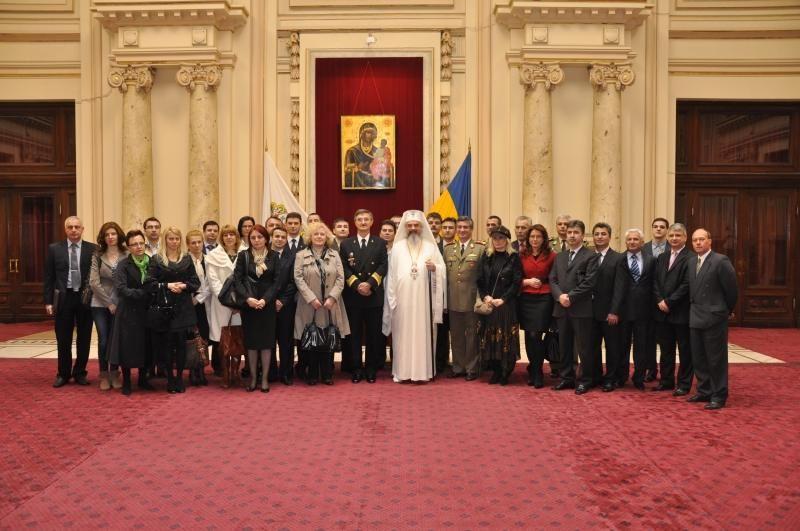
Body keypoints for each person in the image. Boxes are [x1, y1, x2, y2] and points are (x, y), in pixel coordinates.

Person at [383, 210, 446, 383]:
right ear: (404, 227)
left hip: (423, 302)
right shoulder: (396, 248)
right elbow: (391, 276)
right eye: (409, 225)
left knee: (422, 334)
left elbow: (442, 271)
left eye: (416, 225)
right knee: (402, 336)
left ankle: (422, 372)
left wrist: (435, 269)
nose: (412, 228)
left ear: (421, 226)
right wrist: (392, 300)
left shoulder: (431, 247)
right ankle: (402, 372)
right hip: (402, 301)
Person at [294, 222, 350, 385]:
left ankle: (327, 374)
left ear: (327, 237)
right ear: (310, 237)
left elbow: (341, 278)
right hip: (309, 305)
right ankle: (311, 373)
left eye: (322, 234)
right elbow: (298, 278)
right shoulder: (301, 255)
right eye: (316, 234)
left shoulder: (334, 254)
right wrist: (311, 298)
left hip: (330, 305)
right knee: (311, 338)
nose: (319, 237)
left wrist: (332, 297)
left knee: (328, 337)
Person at [44, 216, 97, 388]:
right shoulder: (54, 249)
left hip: (85, 298)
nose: (73, 230)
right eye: (70, 227)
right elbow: (49, 277)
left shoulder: (93, 249)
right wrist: (48, 302)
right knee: (63, 338)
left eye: (77, 227)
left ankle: (80, 372)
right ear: (65, 229)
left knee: (84, 337)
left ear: (83, 229)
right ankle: (63, 373)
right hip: (63, 298)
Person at [146, 226, 200, 393]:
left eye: (177, 238)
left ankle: (179, 378)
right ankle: (170, 378)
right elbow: (149, 283)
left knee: (182, 345)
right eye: (171, 238)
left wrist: (183, 286)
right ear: (165, 240)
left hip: (183, 308)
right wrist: (168, 285)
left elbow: (195, 283)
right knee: (168, 345)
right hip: (165, 308)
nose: (174, 242)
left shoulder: (187, 258)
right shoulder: (156, 259)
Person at [688, 228, 737, 410]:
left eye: (702, 239)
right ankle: (704, 391)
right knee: (699, 358)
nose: (698, 243)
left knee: (715, 359)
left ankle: (719, 395)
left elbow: (731, 290)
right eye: (695, 240)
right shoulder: (692, 261)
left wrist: (726, 310)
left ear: (710, 241)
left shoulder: (720, 261)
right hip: (695, 316)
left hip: (714, 317)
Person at [339, 209, 388, 383]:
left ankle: (371, 369)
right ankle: (356, 369)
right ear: (355, 222)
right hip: (353, 297)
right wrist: (357, 284)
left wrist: (370, 284)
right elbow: (343, 267)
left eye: (366, 219)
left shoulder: (380, 243)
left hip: (374, 297)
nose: (363, 222)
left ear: (372, 221)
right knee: (355, 335)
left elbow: (383, 266)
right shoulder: (346, 244)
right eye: (359, 219)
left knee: (374, 335)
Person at [549, 219, 597, 393]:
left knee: (584, 347)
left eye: (576, 232)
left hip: (581, 308)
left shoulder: (591, 255)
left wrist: (571, 296)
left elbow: (589, 282)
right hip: (561, 308)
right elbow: (552, 279)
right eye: (569, 232)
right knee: (565, 346)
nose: (572, 235)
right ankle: (566, 378)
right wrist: (559, 296)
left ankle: (586, 379)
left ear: (582, 236)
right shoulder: (560, 256)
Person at [233, 224, 280, 393]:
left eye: (260, 237)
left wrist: (265, 300)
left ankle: (265, 379)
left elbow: (277, 282)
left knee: (267, 344)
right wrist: (248, 299)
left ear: (266, 238)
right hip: (250, 305)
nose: (256, 240)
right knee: (252, 344)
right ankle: (253, 378)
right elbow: (237, 280)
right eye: (253, 237)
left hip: (266, 306)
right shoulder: (243, 256)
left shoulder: (274, 256)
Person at [109, 230, 155, 395]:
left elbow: (157, 283)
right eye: (134, 244)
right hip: (128, 312)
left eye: (141, 243)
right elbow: (121, 289)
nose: (138, 247)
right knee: (127, 348)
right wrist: (143, 294)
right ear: (128, 247)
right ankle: (127, 381)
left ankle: (143, 379)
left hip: (147, 312)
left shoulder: (152, 262)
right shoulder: (123, 265)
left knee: (146, 346)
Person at [477, 226, 522, 385]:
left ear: (507, 240)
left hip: (506, 305)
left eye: (501, 238)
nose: (498, 241)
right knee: (491, 339)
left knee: (506, 340)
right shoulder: (487, 256)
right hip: (490, 305)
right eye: (495, 238)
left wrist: (503, 299)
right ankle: (495, 371)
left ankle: (505, 372)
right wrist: (485, 296)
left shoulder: (514, 257)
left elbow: (516, 283)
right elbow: (480, 280)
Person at [653, 223, 693, 395]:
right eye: (672, 236)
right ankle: (666, 381)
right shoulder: (662, 257)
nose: (674, 238)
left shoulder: (691, 257)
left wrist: (669, 302)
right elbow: (655, 281)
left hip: (680, 312)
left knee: (685, 351)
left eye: (678, 235)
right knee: (666, 349)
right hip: (662, 312)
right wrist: (660, 300)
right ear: (667, 238)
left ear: (684, 237)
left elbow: (687, 285)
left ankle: (683, 384)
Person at [443, 216, 485, 380]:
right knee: (456, 335)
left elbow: (483, 277)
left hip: (472, 299)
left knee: (472, 336)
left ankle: (471, 368)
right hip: (453, 298)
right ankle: (458, 366)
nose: (461, 230)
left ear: (471, 229)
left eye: (465, 227)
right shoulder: (448, 249)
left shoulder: (480, 249)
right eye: (459, 227)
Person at [589, 222, 628, 392]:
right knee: (592, 346)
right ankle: (595, 376)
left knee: (612, 347)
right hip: (589, 311)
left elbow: (620, 288)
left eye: (603, 234)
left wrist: (614, 311)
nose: (599, 237)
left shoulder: (618, 258)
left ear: (609, 237)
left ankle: (610, 378)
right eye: (596, 234)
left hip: (609, 312)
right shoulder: (588, 256)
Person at [89, 221, 127, 391]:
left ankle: (115, 373)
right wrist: (108, 303)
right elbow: (94, 283)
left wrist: (117, 303)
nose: (110, 237)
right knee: (104, 340)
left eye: (113, 234)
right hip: (99, 303)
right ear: (103, 238)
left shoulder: (126, 254)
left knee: (116, 339)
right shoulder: (97, 255)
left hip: (120, 303)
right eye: (107, 235)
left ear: (118, 235)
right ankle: (104, 375)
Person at [517, 224, 556, 388]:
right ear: (528, 239)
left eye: (538, 237)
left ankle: (537, 370)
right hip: (525, 298)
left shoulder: (552, 255)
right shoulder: (521, 255)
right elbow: (514, 277)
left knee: (536, 335)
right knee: (528, 335)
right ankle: (533, 369)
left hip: (544, 298)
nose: (535, 239)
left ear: (544, 238)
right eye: (532, 236)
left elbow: (555, 277)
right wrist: (526, 281)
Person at [620, 228, 657, 390]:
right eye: (629, 239)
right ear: (626, 242)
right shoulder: (619, 259)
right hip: (623, 310)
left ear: (642, 242)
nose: (632, 242)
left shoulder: (651, 260)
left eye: (636, 239)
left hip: (644, 311)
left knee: (641, 346)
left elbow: (655, 284)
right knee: (622, 346)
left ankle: (639, 378)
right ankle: (621, 377)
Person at [205, 224, 241, 376]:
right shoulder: (213, 256)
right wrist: (228, 301)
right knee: (223, 339)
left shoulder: (244, 253)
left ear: (236, 237)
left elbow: (246, 280)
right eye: (226, 235)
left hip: (240, 304)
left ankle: (236, 371)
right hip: (221, 303)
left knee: (238, 337)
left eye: (232, 234)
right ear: (222, 238)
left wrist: (238, 302)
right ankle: (224, 371)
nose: (229, 237)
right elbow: (213, 282)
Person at [641, 217, 669, 382]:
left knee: (665, 340)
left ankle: (666, 373)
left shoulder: (672, 249)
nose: (658, 229)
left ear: (666, 230)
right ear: (652, 229)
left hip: (665, 302)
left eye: (662, 227)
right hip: (646, 301)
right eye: (655, 227)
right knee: (647, 339)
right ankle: (651, 370)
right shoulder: (642, 248)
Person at [271, 225, 297, 385]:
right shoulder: (264, 255)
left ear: (286, 239)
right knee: (269, 340)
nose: (279, 239)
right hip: (267, 305)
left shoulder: (293, 256)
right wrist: (271, 300)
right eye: (277, 236)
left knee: (286, 340)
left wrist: (282, 301)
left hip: (286, 306)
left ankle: (286, 372)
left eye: (282, 237)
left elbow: (294, 282)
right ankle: (271, 372)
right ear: (271, 238)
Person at [186, 229, 211, 386]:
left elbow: (210, 283)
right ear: (188, 245)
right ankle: (192, 370)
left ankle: (201, 369)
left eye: (199, 242)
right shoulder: (184, 260)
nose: (196, 245)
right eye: (193, 243)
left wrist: (199, 299)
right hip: (187, 304)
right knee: (190, 337)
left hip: (203, 303)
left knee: (203, 335)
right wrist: (191, 299)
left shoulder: (209, 260)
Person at [344, 122, 394, 188]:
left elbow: (381, 165)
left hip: (373, 177)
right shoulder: (352, 151)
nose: (369, 135)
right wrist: (356, 167)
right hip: (359, 177)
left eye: (372, 133)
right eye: (367, 132)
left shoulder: (377, 151)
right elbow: (347, 168)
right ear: (362, 134)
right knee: (353, 175)